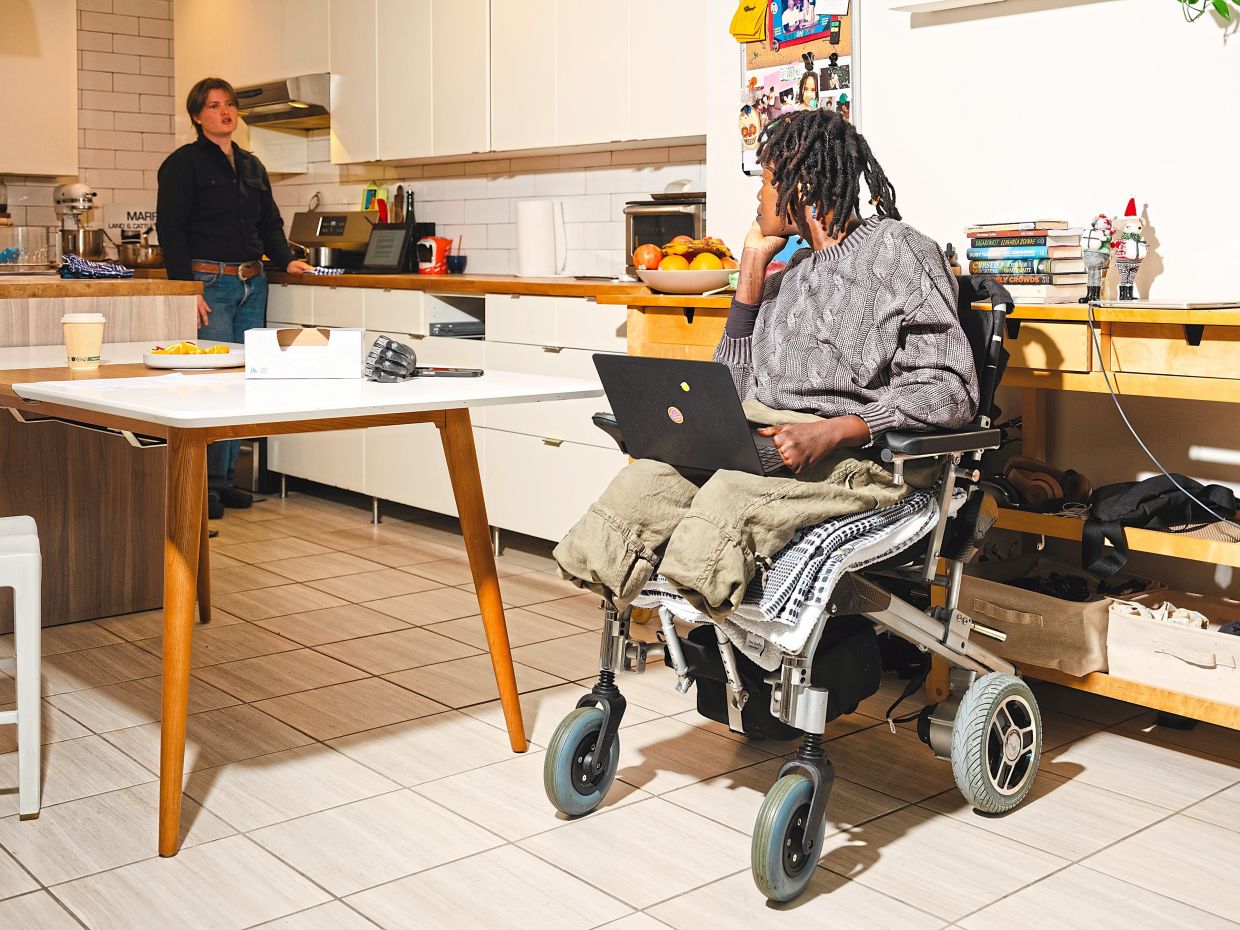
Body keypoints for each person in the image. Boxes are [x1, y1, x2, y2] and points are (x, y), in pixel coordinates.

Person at [554, 109, 978, 620]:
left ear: (802, 185)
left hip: (855, 456)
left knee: (728, 498)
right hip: (763, 441)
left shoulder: (902, 252)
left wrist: (834, 431)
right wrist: (751, 271)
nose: (758, 194)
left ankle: (721, 627)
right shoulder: (790, 274)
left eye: (768, 179)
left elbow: (949, 388)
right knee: (641, 485)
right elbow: (732, 390)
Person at [157, 77, 313, 519]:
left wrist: (287, 261)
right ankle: (202, 485)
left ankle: (223, 482)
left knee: (241, 381)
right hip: (211, 284)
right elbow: (171, 229)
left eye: (229, 104)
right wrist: (186, 289)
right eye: (214, 106)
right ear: (196, 116)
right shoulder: (182, 164)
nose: (225, 112)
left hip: (252, 282)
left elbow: (270, 223)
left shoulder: (251, 165)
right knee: (211, 383)